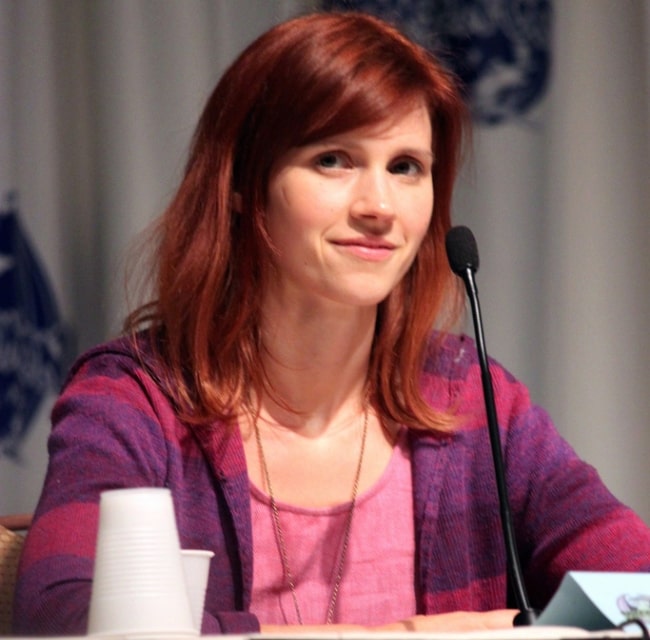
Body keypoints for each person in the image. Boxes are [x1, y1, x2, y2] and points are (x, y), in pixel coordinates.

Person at [13, 10, 650, 636]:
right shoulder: (135, 401)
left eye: (406, 167)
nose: (379, 207)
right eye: (334, 160)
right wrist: (392, 637)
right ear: (244, 184)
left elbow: (638, 592)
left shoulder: (472, 404)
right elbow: (64, 620)